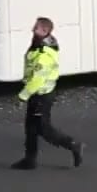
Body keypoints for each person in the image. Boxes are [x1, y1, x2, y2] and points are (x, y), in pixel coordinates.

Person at [13, 17, 83, 170]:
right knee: (30, 127)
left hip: (41, 96)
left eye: (36, 28)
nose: (33, 30)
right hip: (39, 95)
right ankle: (30, 160)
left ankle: (72, 144)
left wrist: (23, 96)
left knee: (44, 129)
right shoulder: (40, 45)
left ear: (45, 31)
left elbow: (38, 79)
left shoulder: (44, 54)